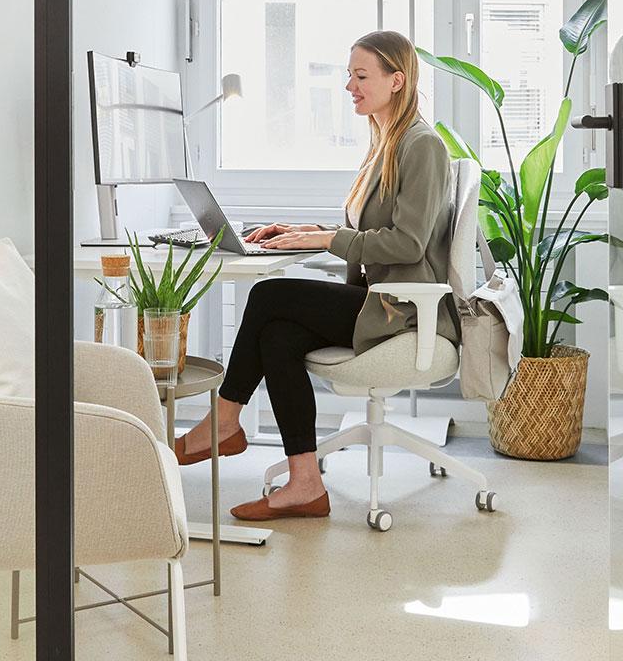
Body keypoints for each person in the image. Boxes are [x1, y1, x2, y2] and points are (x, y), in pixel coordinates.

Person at [174, 30, 458, 521]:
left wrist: (323, 240)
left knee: (267, 295)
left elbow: (407, 243)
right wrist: (310, 230)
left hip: (402, 311)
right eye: (349, 74)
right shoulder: (385, 143)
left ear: (397, 80)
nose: (349, 84)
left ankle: (223, 420)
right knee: (279, 334)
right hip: (380, 299)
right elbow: (374, 229)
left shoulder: (421, 145)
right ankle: (305, 484)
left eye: (361, 75)